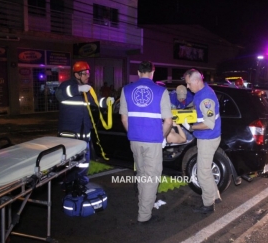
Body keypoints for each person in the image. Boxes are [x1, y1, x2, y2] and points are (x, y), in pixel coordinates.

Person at [119, 61, 173, 224]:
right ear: (152, 72)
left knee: (142, 174)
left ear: (138, 72)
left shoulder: (126, 90)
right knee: (151, 177)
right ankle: (144, 215)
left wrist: (134, 133)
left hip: (135, 140)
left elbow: (124, 118)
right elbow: (168, 122)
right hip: (153, 140)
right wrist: (161, 137)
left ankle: (143, 205)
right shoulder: (161, 91)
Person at [56, 61, 110, 187]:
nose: (87, 76)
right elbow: (60, 94)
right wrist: (78, 89)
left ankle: (81, 181)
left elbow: (95, 101)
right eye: (84, 73)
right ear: (77, 75)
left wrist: (107, 101)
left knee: (84, 161)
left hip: (84, 131)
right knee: (70, 160)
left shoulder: (87, 89)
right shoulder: (66, 86)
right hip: (70, 133)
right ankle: (68, 182)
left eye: (88, 73)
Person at [182, 69, 222, 214]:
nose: (187, 87)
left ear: (197, 81)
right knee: (205, 169)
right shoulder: (201, 93)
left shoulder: (206, 97)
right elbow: (197, 109)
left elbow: (209, 123)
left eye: (188, 83)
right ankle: (215, 196)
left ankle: (208, 204)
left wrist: (191, 127)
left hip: (208, 137)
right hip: (207, 137)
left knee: (202, 173)